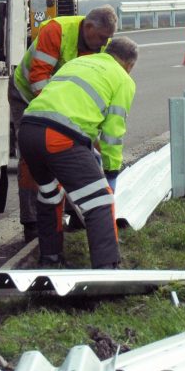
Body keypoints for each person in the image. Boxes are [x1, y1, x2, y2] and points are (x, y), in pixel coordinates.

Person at [17, 36, 138, 269]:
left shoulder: (77, 63)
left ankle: (50, 259)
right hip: (59, 137)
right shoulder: (123, 79)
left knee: (50, 195)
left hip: (29, 130)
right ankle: (107, 267)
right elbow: (113, 133)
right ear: (129, 65)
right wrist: (111, 170)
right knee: (100, 200)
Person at [9, 5, 118, 241]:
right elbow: (38, 79)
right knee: (32, 156)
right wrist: (60, 117)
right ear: (88, 27)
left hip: (63, 105)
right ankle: (32, 221)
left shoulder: (101, 44)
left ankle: (76, 210)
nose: (103, 44)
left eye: (107, 39)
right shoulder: (56, 31)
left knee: (76, 151)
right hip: (28, 95)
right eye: (100, 38)